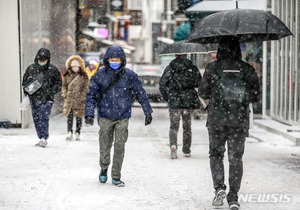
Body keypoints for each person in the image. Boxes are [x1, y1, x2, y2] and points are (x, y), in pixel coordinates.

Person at [199, 36, 260, 210]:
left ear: (220, 49)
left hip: (217, 121)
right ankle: (233, 197)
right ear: (238, 50)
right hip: (239, 122)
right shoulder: (247, 69)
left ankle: (219, 188)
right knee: (236, 158)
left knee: (216, 154)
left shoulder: (212, 68)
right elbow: (256, 96)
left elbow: (203, 92)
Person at [85, 46, 153, 187]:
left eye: (117, 59)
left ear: (122, 60)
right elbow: (91, 95)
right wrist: (89, 113)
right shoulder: (100, 75)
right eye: (112, 59)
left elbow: (141, 93)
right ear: (107, 60)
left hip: (123, 115)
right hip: (105, 115)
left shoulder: (130, 76)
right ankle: (104, 168)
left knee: (120, 146)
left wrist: (147, 111)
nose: (114, 61)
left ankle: (116, 176)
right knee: (105, 145)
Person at [159, 54, 202, 159]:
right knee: (187, 126)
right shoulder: (192, 67)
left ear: (175, 55)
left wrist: (167, 97)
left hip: (174, 100)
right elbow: (199, 83)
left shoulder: (170, 67)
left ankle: (173, 145)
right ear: (187, 55)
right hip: (188, 101)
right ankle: (186, 150)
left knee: (174, 126)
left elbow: (162, 84)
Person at [22, 48, 62, 147]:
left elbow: (58, 83)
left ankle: (44, 137)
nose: (42, 61)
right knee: (37, 118)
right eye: (41, 59)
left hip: (47, 99)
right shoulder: (31, 69)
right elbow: (25, 82)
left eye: (44, 59)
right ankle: (41, 137)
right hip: (34, 99)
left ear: (48, 59)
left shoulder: (52, 70)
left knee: (43, 117)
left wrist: (51, 91)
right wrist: (27, 92)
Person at [62, 55, 90, 141]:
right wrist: (65, 94)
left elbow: (86, 87)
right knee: (69, 117)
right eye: (73, 66)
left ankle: (78, 132)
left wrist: (82, 96)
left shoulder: (84, 76)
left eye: (76, 66)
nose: (75, 68)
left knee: (79, 117)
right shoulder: (66, 75)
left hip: (79, 100)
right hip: (69, 99)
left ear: (80, 67)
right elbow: (63, 86)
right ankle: (69, 132)